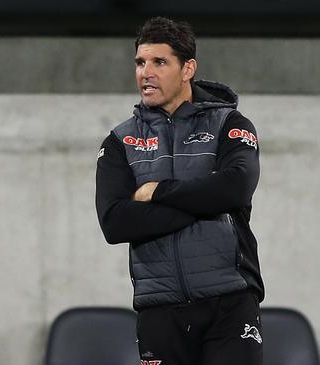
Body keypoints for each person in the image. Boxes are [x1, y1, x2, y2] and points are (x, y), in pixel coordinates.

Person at [95, 17, 264, 365]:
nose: (146, 73)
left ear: (188, 68)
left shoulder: (229, 124)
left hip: (230, 303)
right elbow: (114, 223)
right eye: (141, 63)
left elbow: (236, 189)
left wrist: (156, 192)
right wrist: (204, 202)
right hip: (159, 310)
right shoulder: (119, 141)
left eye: (159, 62)